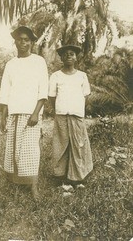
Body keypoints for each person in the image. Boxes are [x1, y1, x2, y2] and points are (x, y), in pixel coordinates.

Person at [0, 26, 48, 200]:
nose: (23, 43)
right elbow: (5, 91)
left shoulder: (39, 61)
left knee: (31, 150)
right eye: (20, 39)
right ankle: (14, 182)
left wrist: (36, 113)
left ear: (32, 42)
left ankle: (33, 187)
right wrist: (3, 116)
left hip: (31, 114)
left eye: (26, 40)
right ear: (15, 42)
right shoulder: (11, 64)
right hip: (14, 113)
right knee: (12, 150)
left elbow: (43, 90)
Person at [48, 44, 93, 189]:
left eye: (72, 54)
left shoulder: (82, 76)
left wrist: (77, 109)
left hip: (77, 115)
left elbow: (86, 96)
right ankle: (60, 177)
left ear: (76, 57)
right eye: (65, 54)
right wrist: (60, 109)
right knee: (61, 145)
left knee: (78, 145)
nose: (69, 56)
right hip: (61, 114)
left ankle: (77, 178)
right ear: (61, 57)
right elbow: (52, 97)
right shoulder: (56, 76)